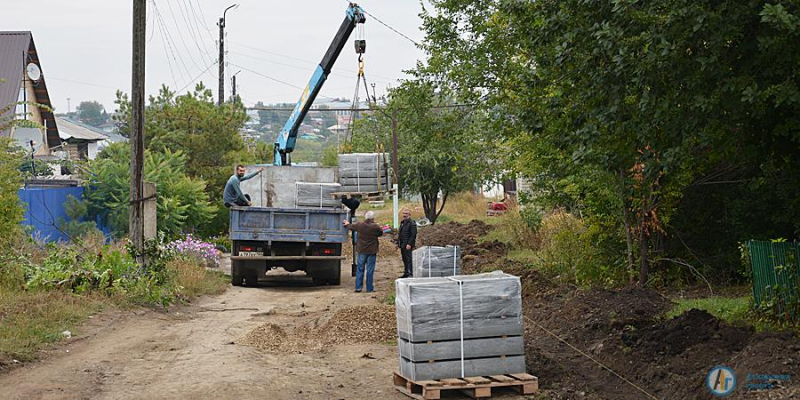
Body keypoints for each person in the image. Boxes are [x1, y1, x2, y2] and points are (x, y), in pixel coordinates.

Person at [343, 211, 383, 293]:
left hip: (361, 251)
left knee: (360, 269)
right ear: (373, 218)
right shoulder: (375, 227)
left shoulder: (360, 225)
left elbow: (350, 227)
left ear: (365, 217)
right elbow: (380, 233)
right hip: (372, 251)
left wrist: (347, 223)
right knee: (370, 270)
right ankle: (369, 288)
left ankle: (358, 287)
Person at [397, 208, 417, 278]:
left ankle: (411, 273)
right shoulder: (402, 223)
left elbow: (413, 235)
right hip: (402, 244)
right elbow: (400, 234)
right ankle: (406, 272)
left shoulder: (412, 223)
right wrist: (398, 243)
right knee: (404, 259)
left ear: (409, 215)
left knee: (409, 259)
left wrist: (409, 244)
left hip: (408, 245)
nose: (404, 215)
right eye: (403, 213)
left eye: (406, 213)